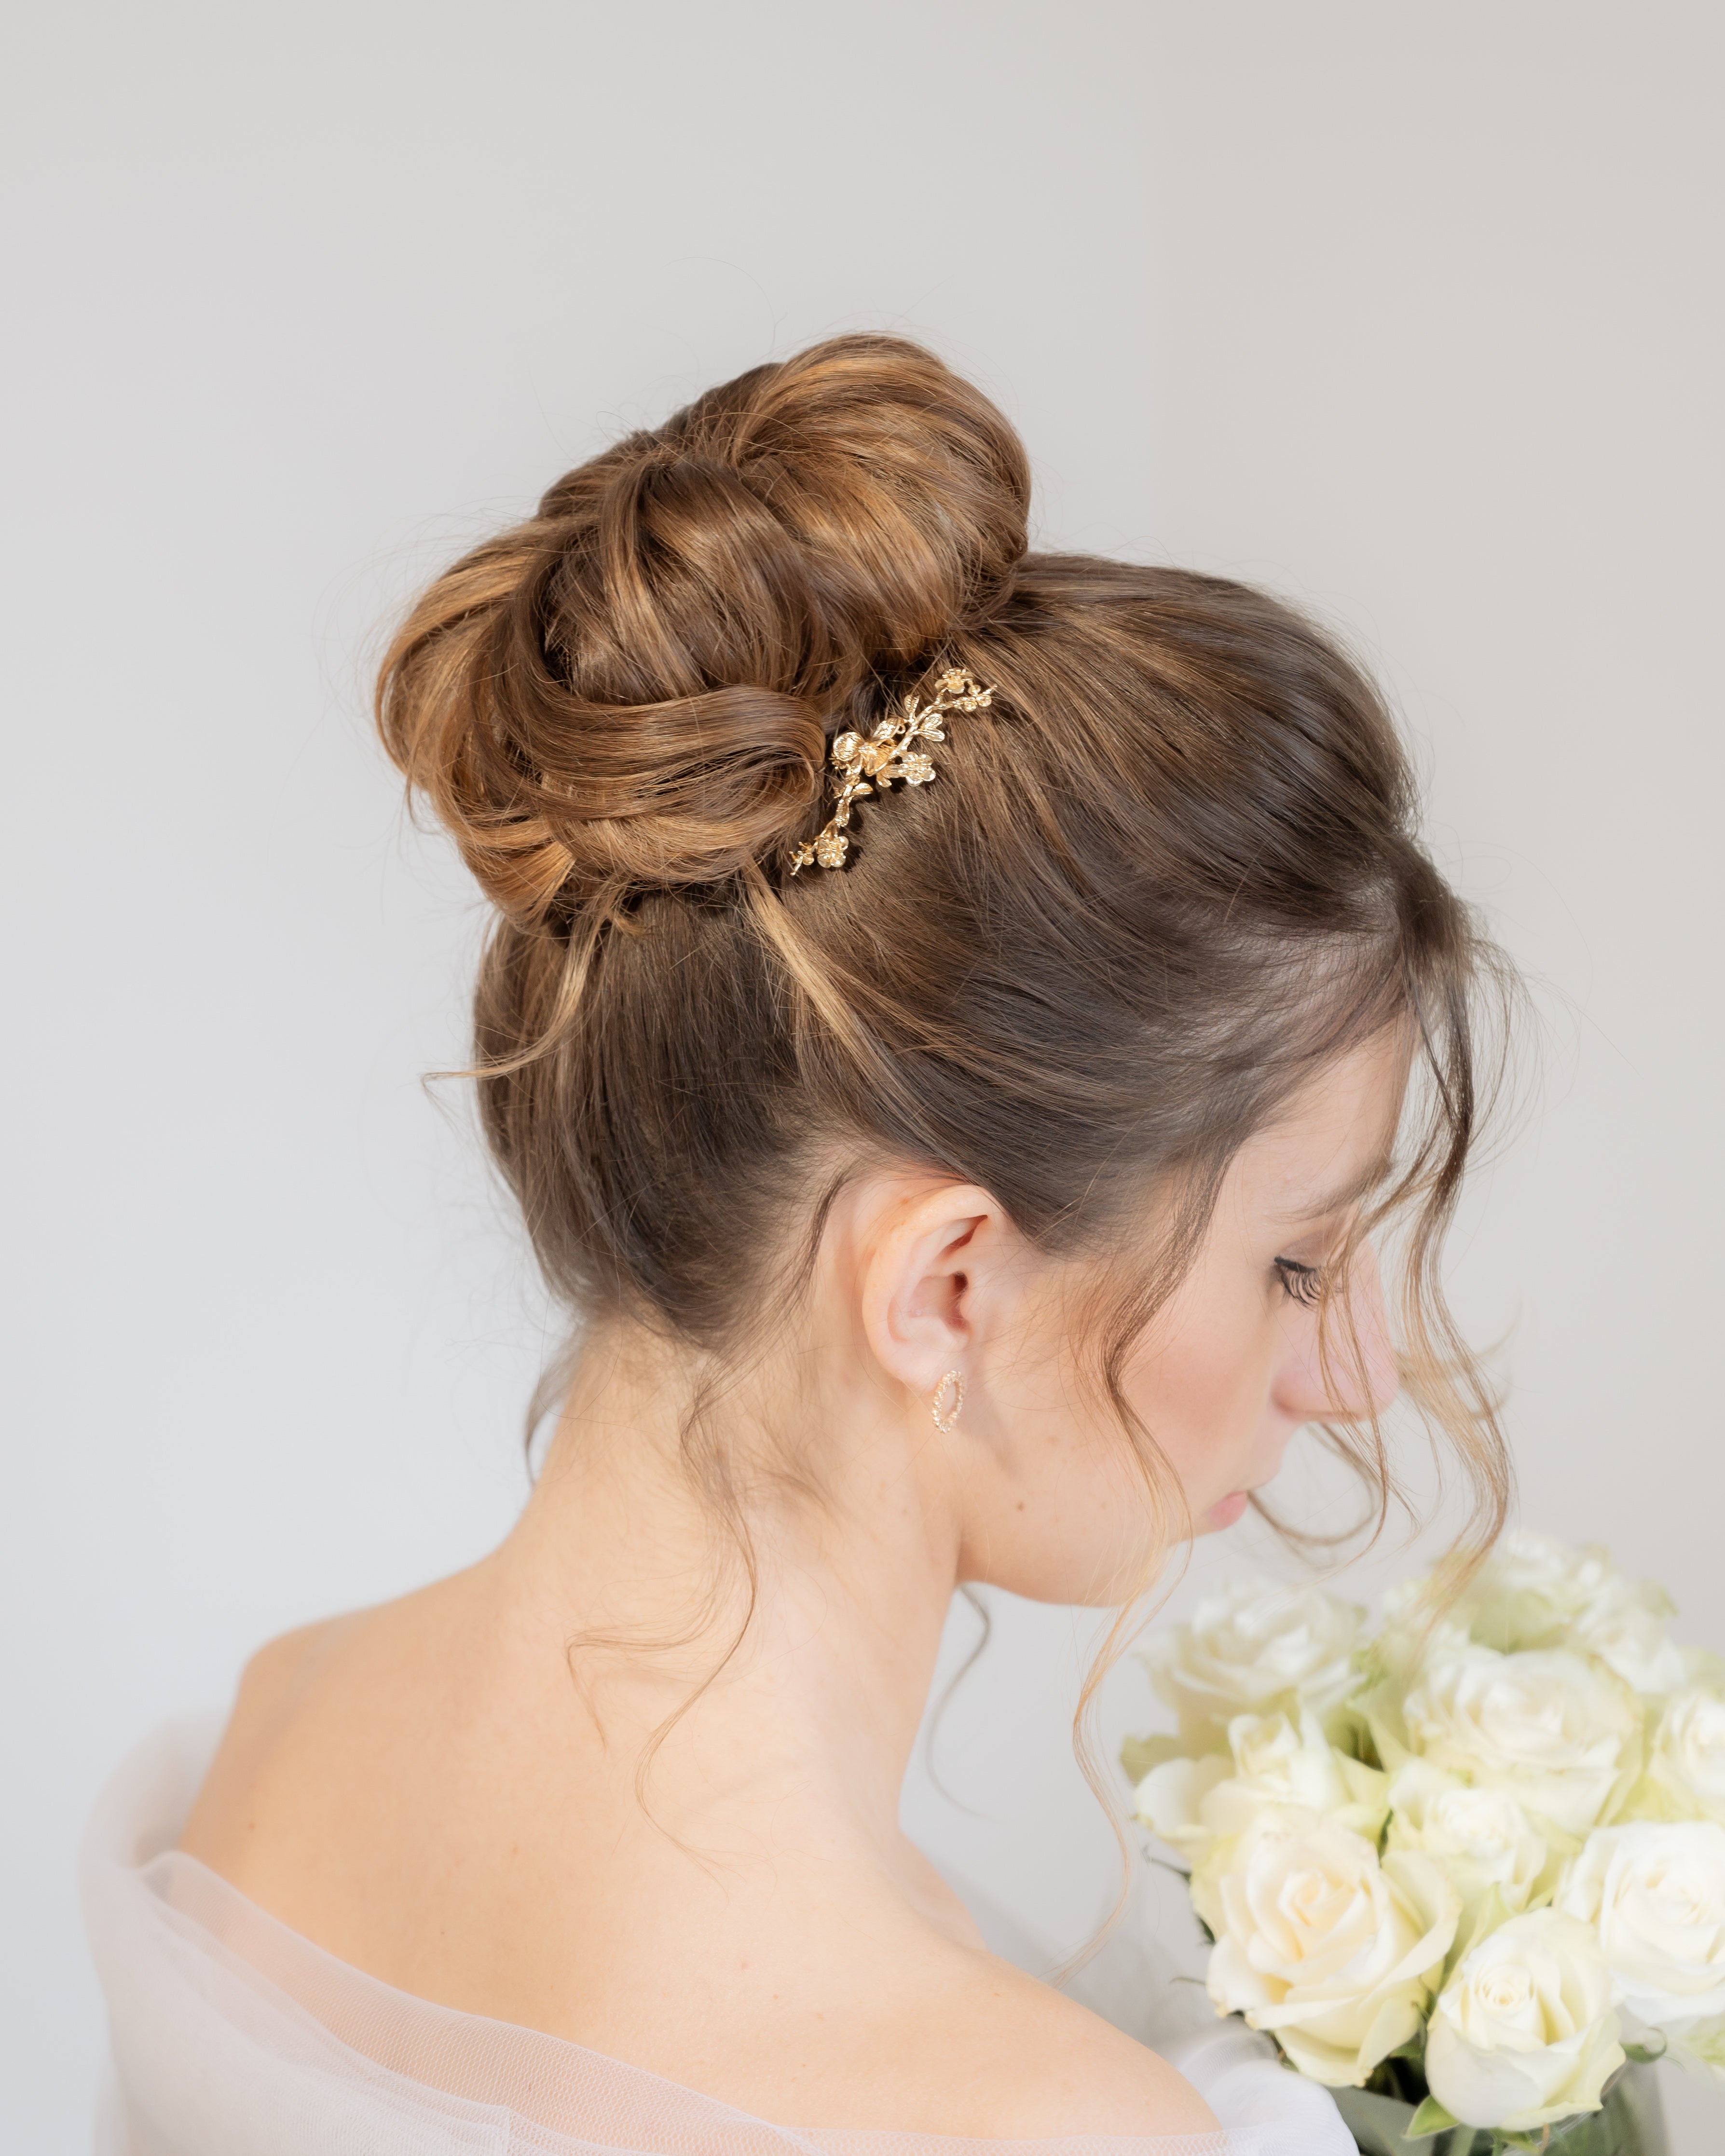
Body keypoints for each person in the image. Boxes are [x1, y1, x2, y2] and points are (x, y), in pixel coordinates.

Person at [82, 336, 1509, 2155]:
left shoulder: (274, 1742)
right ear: (944, 1290)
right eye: (1296, 1266)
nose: (1358, 1373)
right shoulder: (1037, 2127)